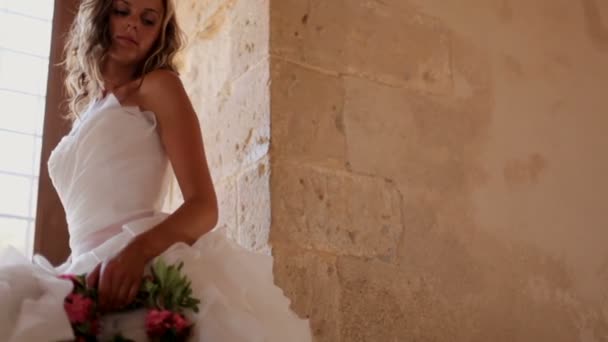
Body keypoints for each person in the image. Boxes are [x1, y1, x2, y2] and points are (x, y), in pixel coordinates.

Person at [0, 0, 312, 341]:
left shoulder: (159, 86)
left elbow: (203, 207)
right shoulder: (90, 110)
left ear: (159, 34)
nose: (133, 25)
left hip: (137, 260)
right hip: (86, 266)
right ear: (101, 15)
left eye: (148, 20)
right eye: (123, 11)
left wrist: (136, 253)